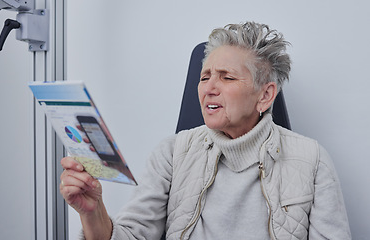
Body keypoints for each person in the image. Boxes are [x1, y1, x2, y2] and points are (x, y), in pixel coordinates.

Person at [60, 22, 351, 240]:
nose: (209, 88)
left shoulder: (312, 159)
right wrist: (92, 212)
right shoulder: (172, 153)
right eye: (205, 76)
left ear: (265, 95)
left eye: (226, 77)